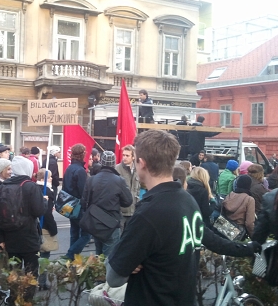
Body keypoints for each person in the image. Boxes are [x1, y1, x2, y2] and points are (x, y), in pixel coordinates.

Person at [106, 130, 205, 305]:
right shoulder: (188, 200)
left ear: (141, 163)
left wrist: (122, 257)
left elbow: (114, 277)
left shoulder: (149, 212)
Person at [0, 156, 45, 298]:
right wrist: (44, 201)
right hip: (28, 236)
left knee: (13, 272)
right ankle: (26, 300)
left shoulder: (3, 185)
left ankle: (13, 298)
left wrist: (0, 238)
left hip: (9, 236)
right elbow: (39, 211)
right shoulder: (30, 186)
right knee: (30, 273)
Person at [82, 151, 132, 256]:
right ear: (114, 164)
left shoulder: (91, 180)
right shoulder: (119, 180)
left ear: (101, 162)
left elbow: (84, 203)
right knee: (110, 259)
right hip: (111, 224)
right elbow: (128, 201)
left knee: (98, 257)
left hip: (95, 222)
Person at [62, 143, 90, 260]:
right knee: (86, 235)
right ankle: (69, 256)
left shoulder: (69, 168)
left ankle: (72, 262)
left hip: (69, 204)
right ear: (83, 154)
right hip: (78, 206)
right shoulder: (80, 171)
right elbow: (84, 191)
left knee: (74, 233)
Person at [36, 168, 57, 290]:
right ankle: (42, 282)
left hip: (34, 226)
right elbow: (47, 213)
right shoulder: (47, 191)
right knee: (44, 256)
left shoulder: (34, 188)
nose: (52, 178)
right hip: (44, 226)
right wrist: (53, 229)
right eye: (49, 177)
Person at [115, 145, 140, 229]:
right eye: (123, 155)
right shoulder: (117, 169)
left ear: (133, 157)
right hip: (121, 211)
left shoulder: (138, 169)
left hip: (134, 210)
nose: (124, 157)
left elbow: (139, 187)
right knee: (119, 237)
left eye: (127, 155)